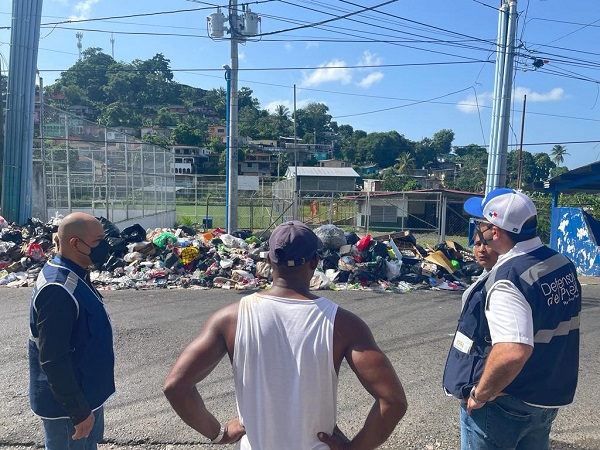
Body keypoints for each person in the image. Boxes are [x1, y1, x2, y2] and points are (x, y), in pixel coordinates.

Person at [164, 220, 408, 449]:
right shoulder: (343, 324)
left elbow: (176, 386)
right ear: (314, 262)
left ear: (269, 259)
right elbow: (393, 401)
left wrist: (218, 433)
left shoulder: (230, 319)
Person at [443, 188, 581, 450]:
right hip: (546, 397)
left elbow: (512, 352)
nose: (479, 230)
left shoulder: (509, 279)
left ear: (495, 232)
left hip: (505, 404)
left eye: (483, 224)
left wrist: (479, 395)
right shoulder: (560, 262)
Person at [29, 212, 114, 450]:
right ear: (76, 244)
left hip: (87, 397)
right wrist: (78, 411)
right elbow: (53, 358)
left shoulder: (76, 273)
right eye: (99, 241)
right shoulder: (57, 289)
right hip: (69, 410)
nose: (105, 246)